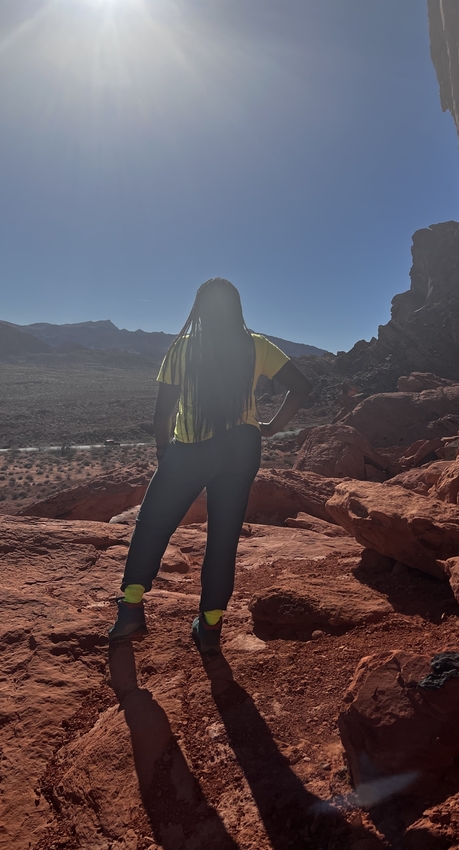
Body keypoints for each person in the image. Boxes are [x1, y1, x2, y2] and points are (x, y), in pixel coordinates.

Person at [109, 277, 312, 656]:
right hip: (242, 448)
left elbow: (162, 411)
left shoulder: (183, 348)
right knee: (223, 536)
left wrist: (162, 451)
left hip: (191, 447)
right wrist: (270, 427)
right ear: (236, 308)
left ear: (199, 309)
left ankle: (131, 610)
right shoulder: (257, 345)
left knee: (153, 523)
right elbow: (301, 386)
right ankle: (210, 626)